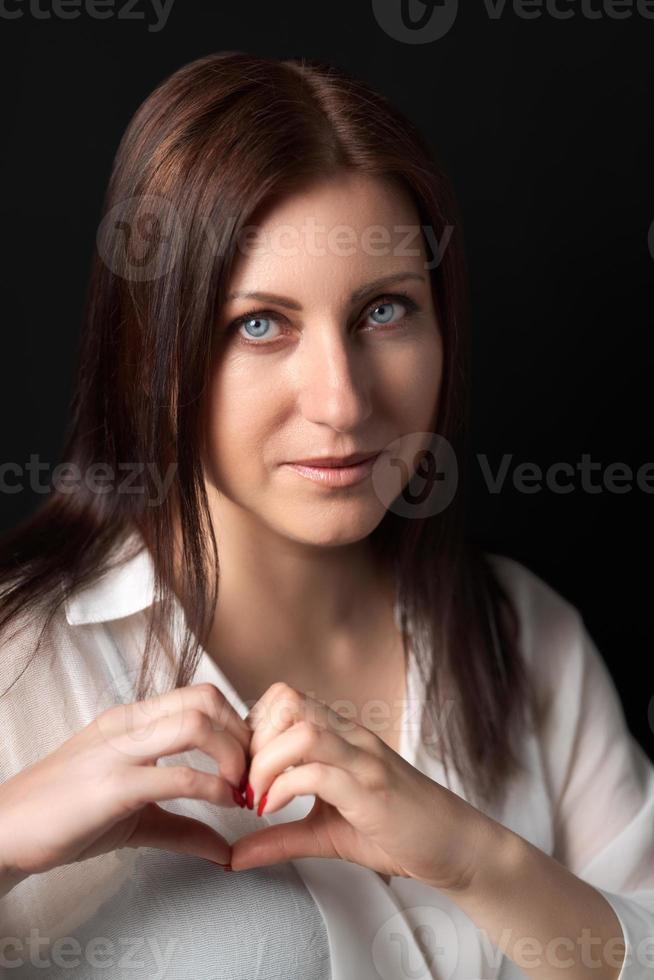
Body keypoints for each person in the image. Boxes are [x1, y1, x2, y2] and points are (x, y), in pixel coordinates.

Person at [0, 51, 652, 980]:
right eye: (259, 324)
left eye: (385, 310)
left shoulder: (528, 635)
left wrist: (481, 860)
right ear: (152, 351)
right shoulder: (18, 666)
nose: (343, 402)